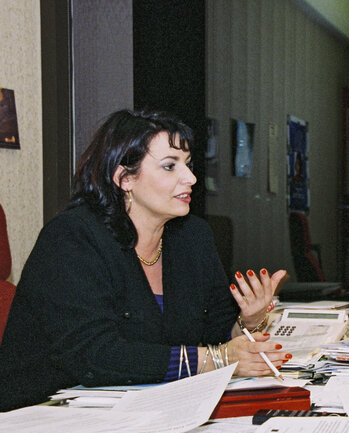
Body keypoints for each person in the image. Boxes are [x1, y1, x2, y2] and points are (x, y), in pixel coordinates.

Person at [0, 109, 290, 412]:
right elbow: (95, 356)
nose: (190, 178)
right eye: (169, 166)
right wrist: (216, 359)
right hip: (46, 415)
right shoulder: (72, 238)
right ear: (125, 178)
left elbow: (214, 332)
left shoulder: (192, 237)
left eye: (188, 165)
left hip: (150, 407)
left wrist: (248, 321)